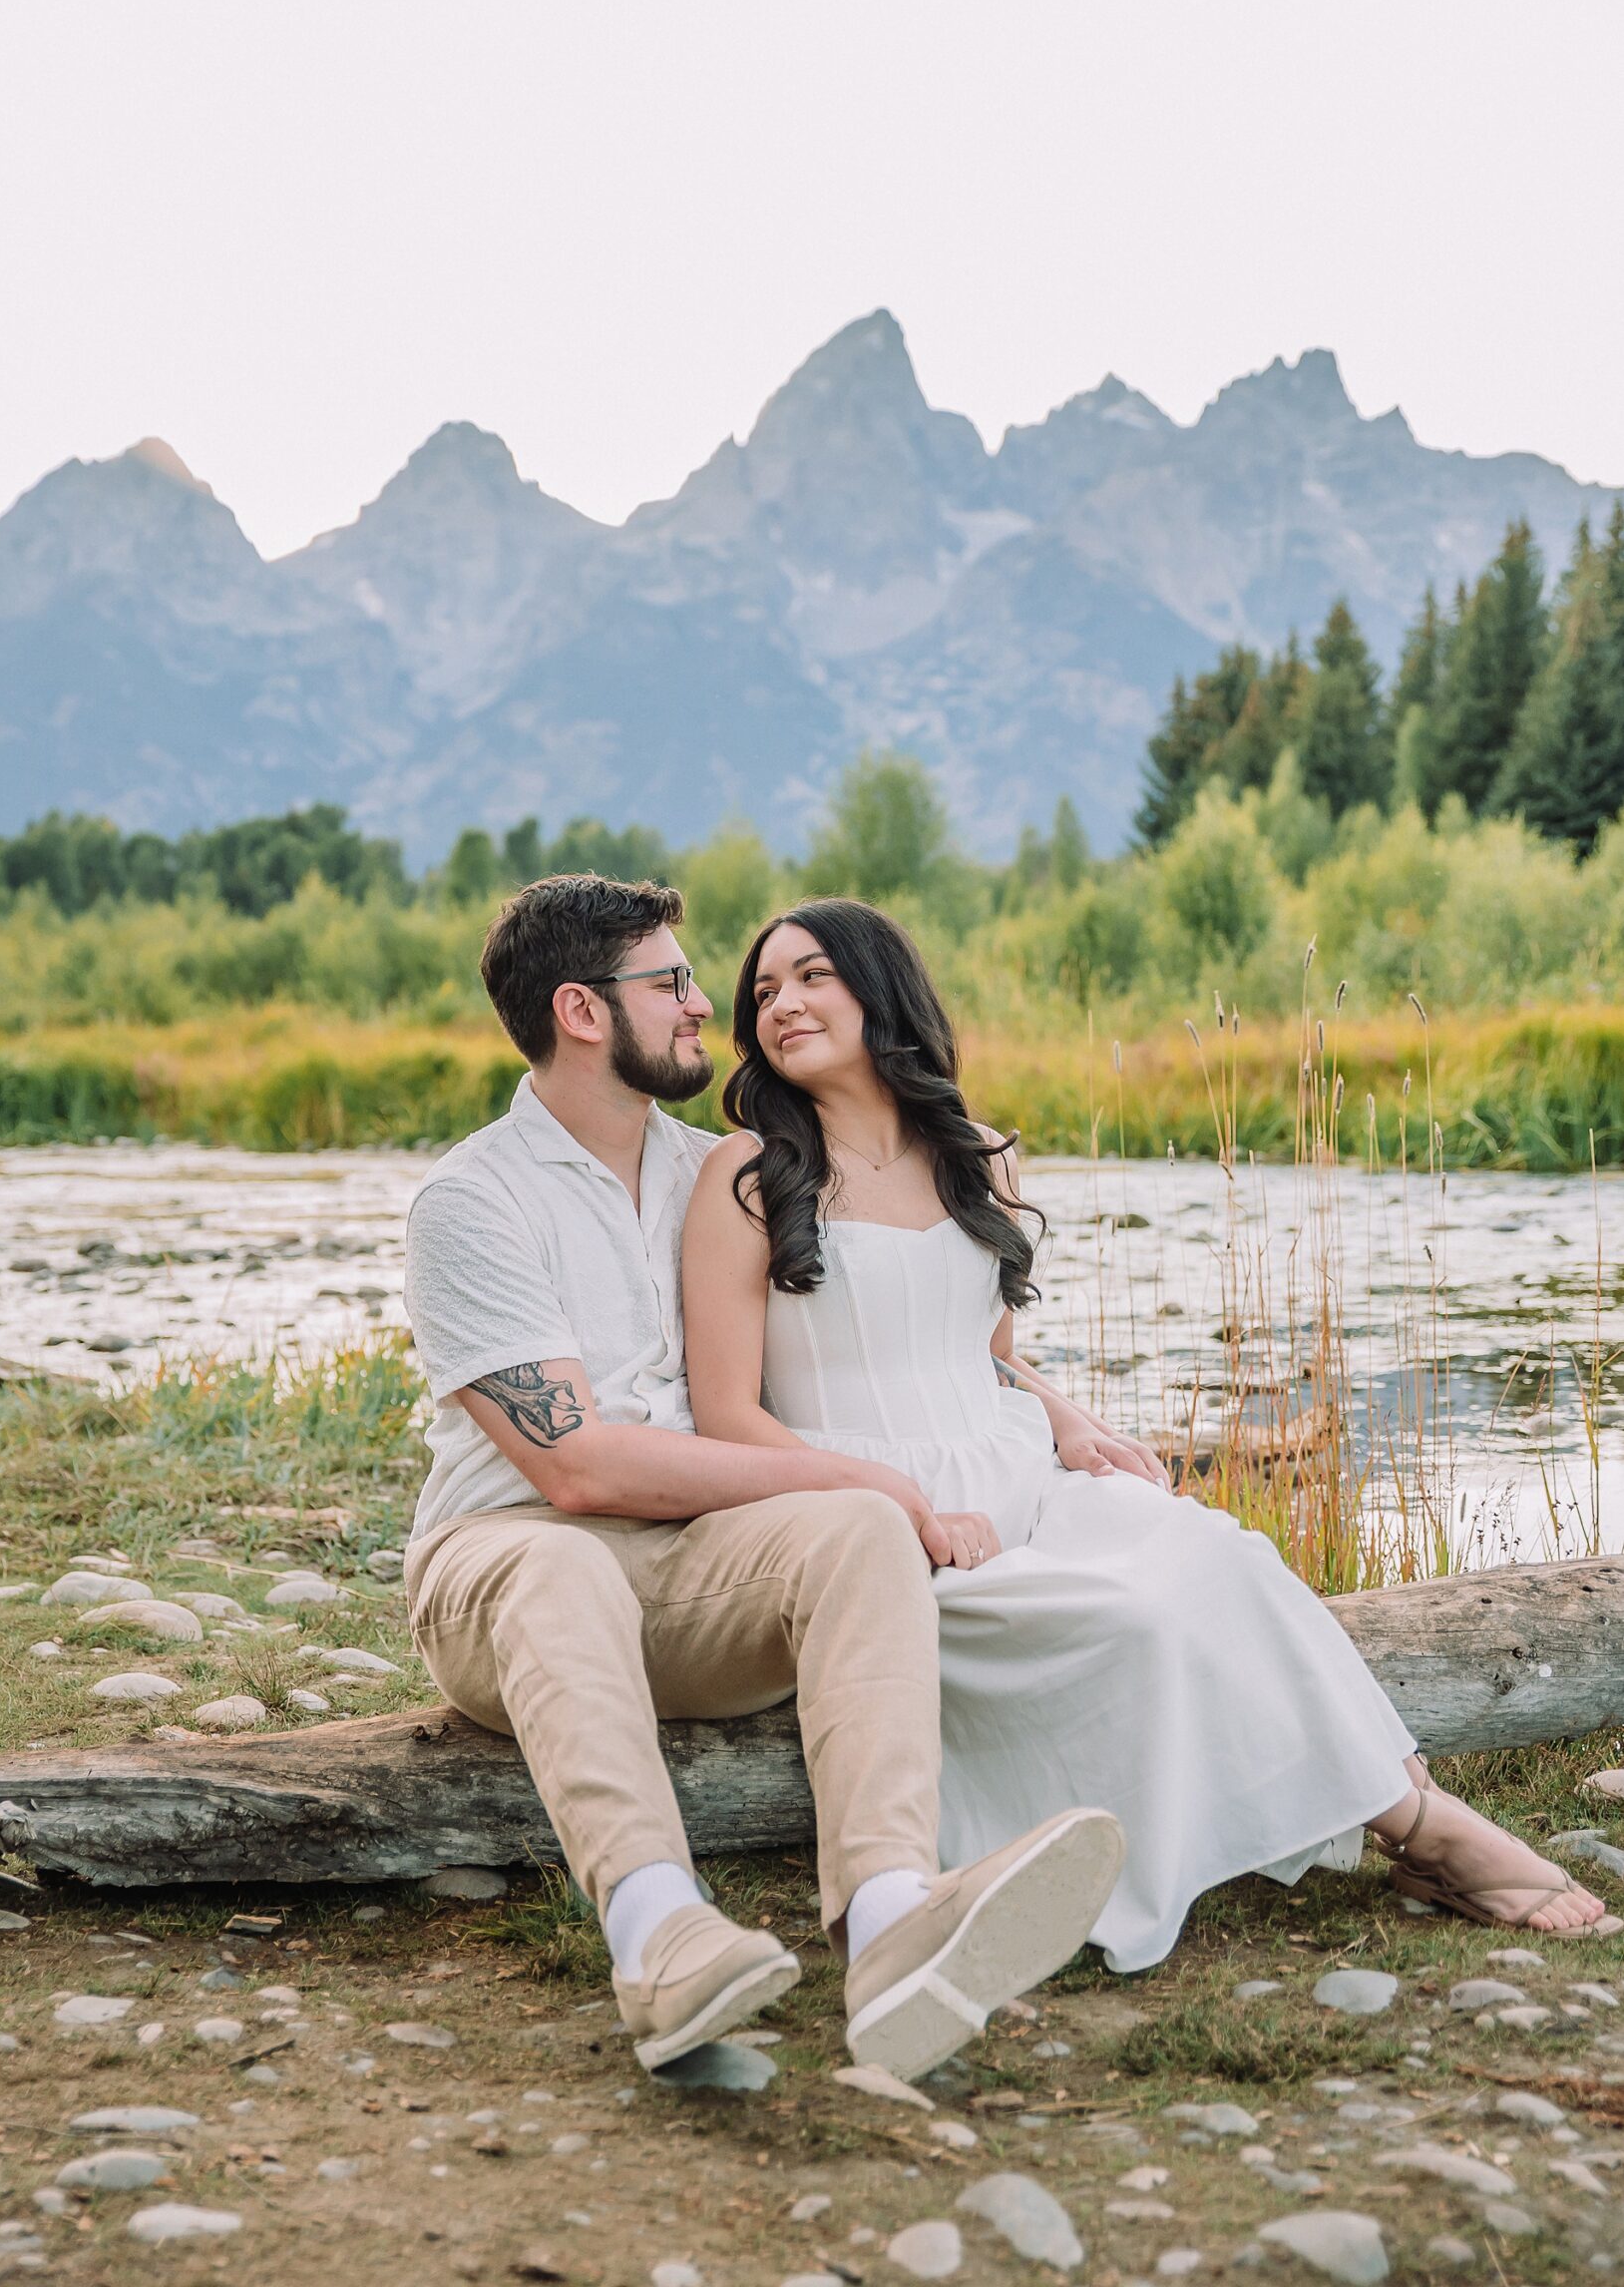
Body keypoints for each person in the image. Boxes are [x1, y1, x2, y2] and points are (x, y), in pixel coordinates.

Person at [681, 897, 1619, 1967]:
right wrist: (895, 1501)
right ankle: (1422, 1828)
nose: (781, 1004)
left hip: (1017, 1471)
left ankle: (1409, 1817)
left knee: (1222, 1555)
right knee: (1128, 1615)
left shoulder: (975, 1153)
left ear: (878, 987)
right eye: (761, 991)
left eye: (810, 976)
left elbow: (978, 1353)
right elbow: (727, 1413)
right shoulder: (748, 1174)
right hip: (865, 1521)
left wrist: (1069, 1420)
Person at [401, 872, 1125, 2080]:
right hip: (504, 1555)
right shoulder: (471, 1201)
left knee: (851, 1530)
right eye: (673, 981)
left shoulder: (718, 1175)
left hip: (693, 1565)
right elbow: (573, 1468)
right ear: (583, 1011)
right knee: (564, 1564)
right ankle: (658, 1935)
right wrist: (882, 1478)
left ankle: (891, 1920)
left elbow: (916, 1331)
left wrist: (1038, 1413)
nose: (705, 1007)